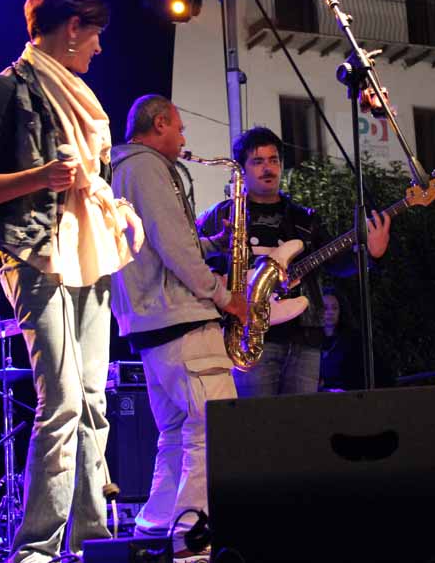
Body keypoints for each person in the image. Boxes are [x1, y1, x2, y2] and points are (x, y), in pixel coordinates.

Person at [0, 0, 144, 563]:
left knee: (93, 402)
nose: (100, 48)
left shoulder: (83, 99)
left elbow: (90, 184)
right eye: (95, 34)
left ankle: (91, 541)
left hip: (90, 255)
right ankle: (35, 549)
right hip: (34, 254)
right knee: (60, 402)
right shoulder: (7, 89)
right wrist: (38, 177)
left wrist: (117, 210)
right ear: (72, 28)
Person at [109, 94, 247, 558]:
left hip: (151, 325)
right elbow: (172, 245)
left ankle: (155, 527)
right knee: (214, 431)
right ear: (160, 123)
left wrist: (210, 241)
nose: (184, 138)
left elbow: (156, 241)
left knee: (175, 435)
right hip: (182, 320)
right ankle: (193, 537)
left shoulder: (122, 170)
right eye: (180, 128)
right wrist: (225, 297)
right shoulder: (148, 167)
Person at [197, 127, 391, 397]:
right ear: (241, 170)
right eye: (258, 161)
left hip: (304, 339)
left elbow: (337, 265)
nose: (268, 168)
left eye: (273, 160)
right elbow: (192, 261)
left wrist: (371, 254)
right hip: (246, 337)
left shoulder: (304, 219)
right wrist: (219, 282)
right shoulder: (220, 216)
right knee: (258, 419)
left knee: (302, 421)